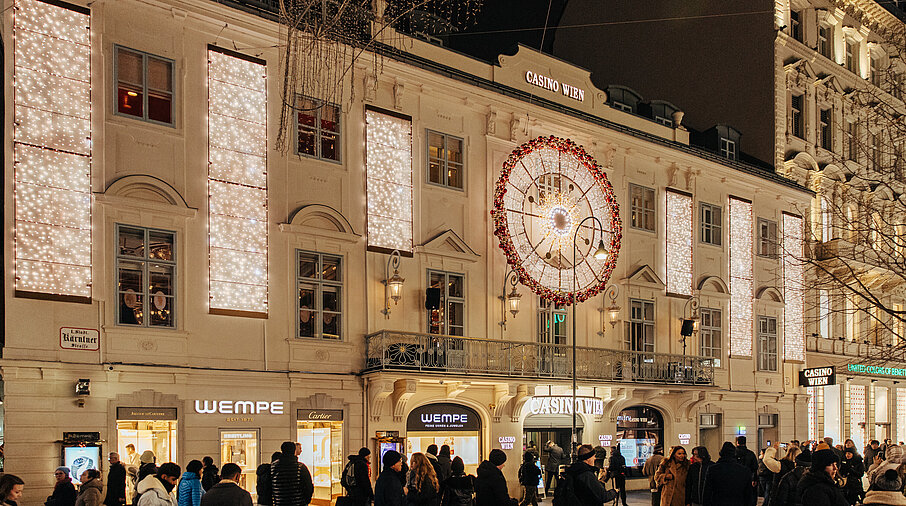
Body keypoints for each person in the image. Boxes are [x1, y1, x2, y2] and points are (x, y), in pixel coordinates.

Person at [701, 442, 755, 506]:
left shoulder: (712, 470)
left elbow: (707, 493)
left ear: (721, 453)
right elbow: (748, 496)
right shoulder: (744, 471)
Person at [271, 441, 313, 506]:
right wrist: (306, 501)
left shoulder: (273, 466)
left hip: (280, 503)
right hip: (298, 503)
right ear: (294, 450)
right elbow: (308, 486)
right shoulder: (300, 467)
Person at [734, 437, 758, 506]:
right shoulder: (750, 454)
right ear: (745, 443)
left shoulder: (734, 453)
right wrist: (754, 479)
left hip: (736, 479)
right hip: (748, 478)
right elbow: (755, 467)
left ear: (737, 442)